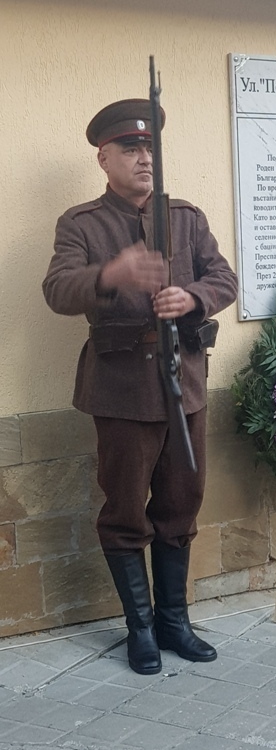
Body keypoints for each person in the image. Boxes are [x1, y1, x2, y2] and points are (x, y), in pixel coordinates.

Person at [43, 99, 238, 673]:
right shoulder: (81, 224)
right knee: (126, 510)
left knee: (181, 504)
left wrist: (193, 297)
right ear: (103, 157)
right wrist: (112, 273)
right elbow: (57, 290)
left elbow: (222, 276)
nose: (143, 158)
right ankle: (141, 629)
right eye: (130, 148)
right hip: (123, 387)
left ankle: (175, 622)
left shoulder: (185, 218)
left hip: (186, 383)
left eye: (150, 147)